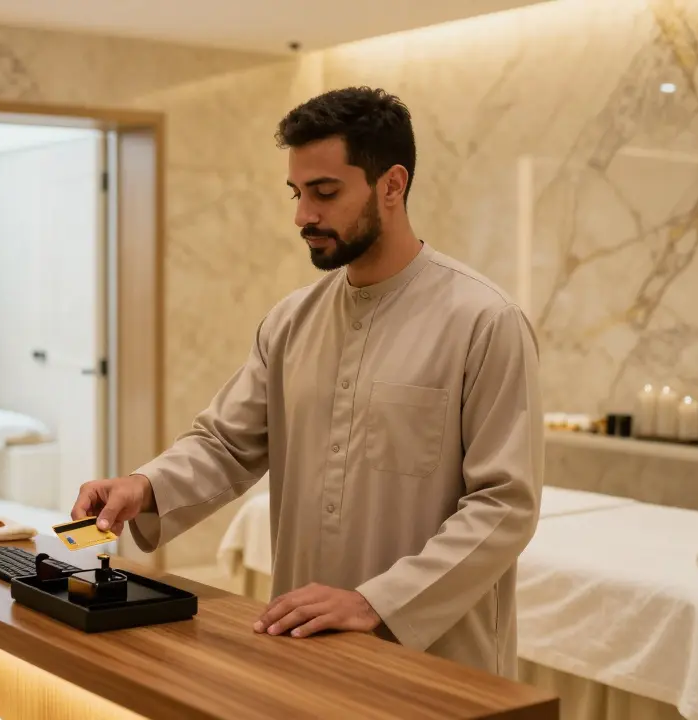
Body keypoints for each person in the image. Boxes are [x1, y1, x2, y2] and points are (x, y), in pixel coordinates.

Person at [71, 86, 543, 678]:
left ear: (391, 186)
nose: (303, 216)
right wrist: (144, 486)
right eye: (297, 193)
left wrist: (377, 601)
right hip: (302, 644)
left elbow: (505, 506)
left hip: (434, 663)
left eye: (325, 192)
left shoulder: (484, 320)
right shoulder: (292, 320)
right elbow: (226, 443)